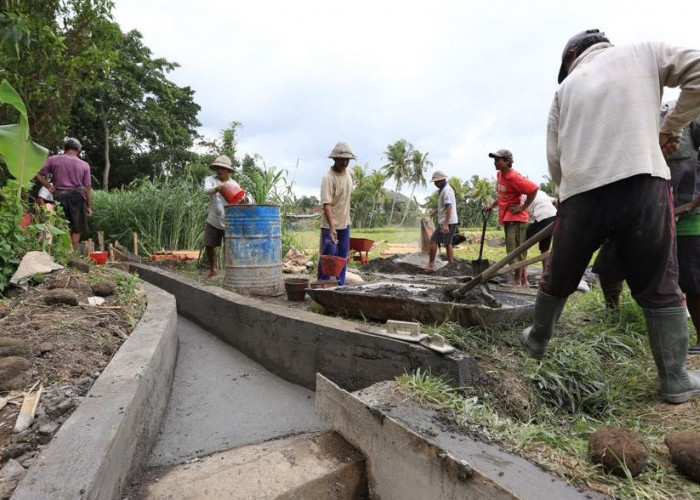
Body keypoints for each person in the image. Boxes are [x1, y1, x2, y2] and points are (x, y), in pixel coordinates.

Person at [521, 29, 700, 404]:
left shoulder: (565, 89)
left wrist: (568, 193)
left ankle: (536, 341)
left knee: (559, 275)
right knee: (660, 281)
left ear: (572, 56)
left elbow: (554, 156)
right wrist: (670, 126)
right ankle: (674, 378)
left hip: (582, 193)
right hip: (643, 183)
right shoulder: (646, 52)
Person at [483, 149, 538, 286]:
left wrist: (523, 207)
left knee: (515, 251)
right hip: (508, 218)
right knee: (515, 250)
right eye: (494, 160)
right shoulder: (500, 174)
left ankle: (517, 280)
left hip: (517, 219)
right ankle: (523, 281)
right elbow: (503, 195)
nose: (495, 163)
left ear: (507, 161)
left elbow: (533, 189)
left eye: (498, 160)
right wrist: (492, 205)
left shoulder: (514, 177)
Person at [35, 137, 91, 250]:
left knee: (62, 226)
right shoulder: (84, 165)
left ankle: (62, 254)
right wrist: (89, 206)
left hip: (59, 196)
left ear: (64, 148)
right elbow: (88, 187)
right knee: (77, 229)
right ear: (79, 150)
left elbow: (37, 173)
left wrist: (48, 185)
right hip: (78, 197)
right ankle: (72, 256)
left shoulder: (53, 159)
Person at [318, 142, 355, 286]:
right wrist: (332, 227)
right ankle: (322, 285)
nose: (345, 163)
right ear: (334, 159)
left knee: (342, 257)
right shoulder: (328, 177)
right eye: (341, 160)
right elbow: (327, 205)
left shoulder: (349, 173)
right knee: (328, 257)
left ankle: (341, 285)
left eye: (347, 160)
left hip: (345, 224)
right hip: (330, 225)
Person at [203, 155, 241, 278]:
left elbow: (239, 201)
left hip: (228, 221)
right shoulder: (210, 180)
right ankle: (212, 268)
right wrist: (218, 188)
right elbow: (206, 191)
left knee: (228, 246)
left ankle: (228, 270)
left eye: (223, 169)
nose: (220, 170)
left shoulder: (234, 184)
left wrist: (243, 200)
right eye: (218, 168)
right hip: (213, 219)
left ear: (228, 170)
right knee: (209, 244)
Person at [424, 171, 458, 271]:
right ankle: (451, 264)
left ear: (441, 180)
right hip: (450, 220)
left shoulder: (446, 190)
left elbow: (449, 207)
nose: (434, 184)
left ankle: (431, 265)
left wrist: (446, 224)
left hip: (447, 221)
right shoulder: (445, 189)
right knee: (448, 243)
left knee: (433, 240)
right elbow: (445, 206)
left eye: (435, 181)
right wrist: (437, 211)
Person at [526, 189, 557, 271]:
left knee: (523, 242)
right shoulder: (541, 192)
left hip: (541, 217)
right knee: (545, 248)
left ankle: (522, 274)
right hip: (553, 217)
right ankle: (545, 272)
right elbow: (555, 201)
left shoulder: (523, 195)